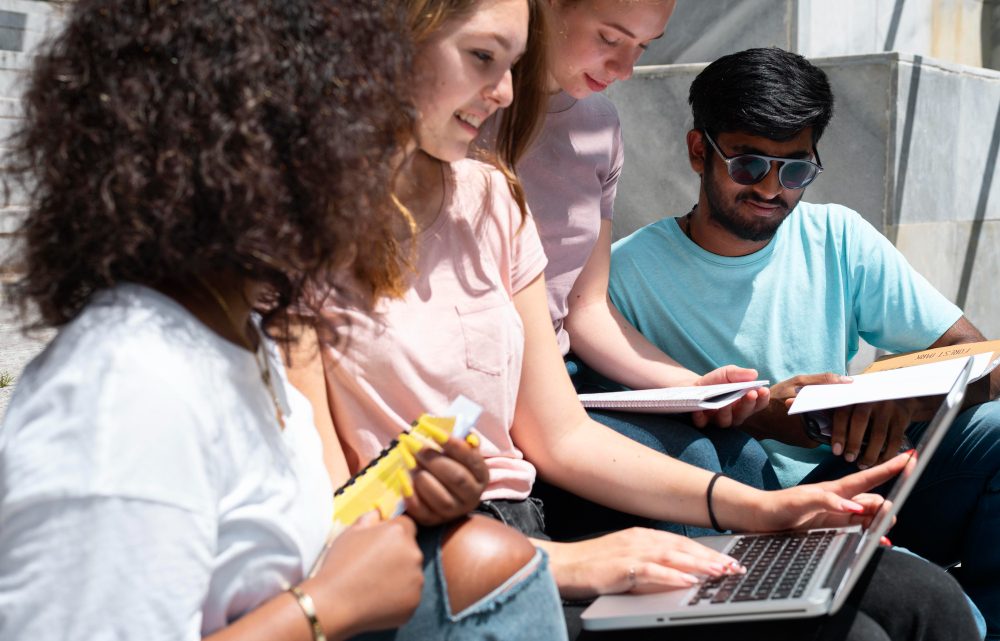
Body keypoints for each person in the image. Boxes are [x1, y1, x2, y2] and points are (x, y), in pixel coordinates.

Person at [288, 2, 981, 639]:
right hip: (446, 556)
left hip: (521, 519)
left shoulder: (495, 194)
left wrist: (761, 509)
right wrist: (582, 560)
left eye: (792, 170)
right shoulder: (292, 232)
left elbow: (559, 430)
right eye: (482, 59)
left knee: (926, 599)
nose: (503, 93)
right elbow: (335, 523)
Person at [0, 1, 566, 639]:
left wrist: (404, 498)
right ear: (248, 151)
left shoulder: (234, 340)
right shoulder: (124, 387)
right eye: (366, 129)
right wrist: (326, 608)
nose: (393, 170)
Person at [607, 46, 1000, 638]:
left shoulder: (836, 235)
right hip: (751, 504)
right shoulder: (625, 276)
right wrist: (761, 416)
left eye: (795, 170)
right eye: (748, 165)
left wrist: (885, 398)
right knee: (946, 613)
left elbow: (980, 356)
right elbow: (614, 432)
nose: (772, 188)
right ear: (698, 151)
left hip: (867, 466)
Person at [502, 0, 780, 542]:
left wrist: (695, 387)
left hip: (566, 378)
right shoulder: (469, 117)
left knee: (742, 456)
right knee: (692, 457)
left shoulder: (600, 125)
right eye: (610, 38)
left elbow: (586, 310)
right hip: (502, 389)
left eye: (643, 48)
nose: (625, 69)